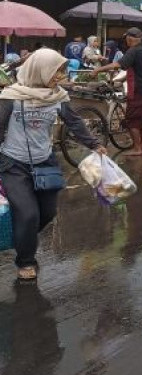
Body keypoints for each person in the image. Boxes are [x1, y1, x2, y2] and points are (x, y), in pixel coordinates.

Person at [0, 49, 106, 280]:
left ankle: (22, 237)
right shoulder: (12, 96)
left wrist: (94, 144)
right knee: (27, 214)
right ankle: (26, 261)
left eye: (62, 70)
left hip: (45, 161)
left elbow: (75, 123)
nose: (60, 75)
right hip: (14, 164)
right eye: (56, 71)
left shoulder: (59, 97)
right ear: (40, 70)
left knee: (46, 213)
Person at [93, 27, 142, 156]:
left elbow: (117, 65)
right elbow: (136, 69)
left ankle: (138, 149)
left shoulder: (133, 51)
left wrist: (97, 70)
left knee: (132, 120)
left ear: (129, 38)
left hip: (138, 90)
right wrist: (121, 79)